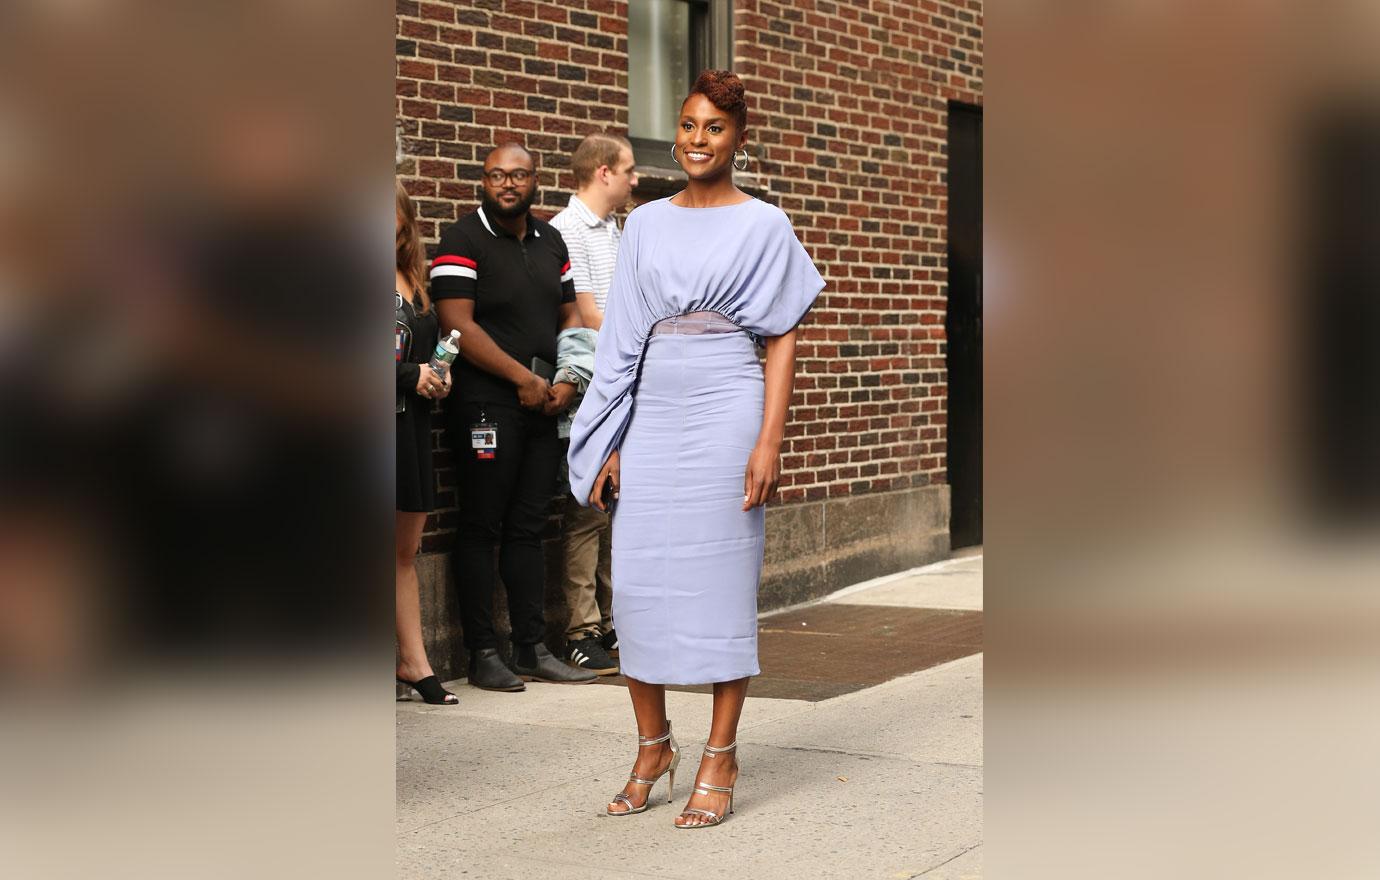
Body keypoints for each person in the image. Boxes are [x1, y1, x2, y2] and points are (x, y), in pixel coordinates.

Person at [568, 71, 825, 827]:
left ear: (739, 137)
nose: (696, 140)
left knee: (721, 579)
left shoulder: (766, 225)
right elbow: (618, 340)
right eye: (687, 125)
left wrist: (767, 440)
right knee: (639, 582)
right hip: (652, 404)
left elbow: (781, 339)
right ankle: (653, 745)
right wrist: (608, 437)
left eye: (713, 127)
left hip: (726, 401)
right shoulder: (644, 223)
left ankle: (720, 753)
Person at [432, 143, 597, 691]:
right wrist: (521, 379)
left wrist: (570, 377)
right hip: (487, 403)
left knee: (529, 526)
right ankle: (483, 651)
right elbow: (457, 324)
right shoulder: (463, 239)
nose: (508, 184)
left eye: (519, 175)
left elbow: (570, 312)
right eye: (497, 175)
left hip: (545, 403)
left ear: (535, 181)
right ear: (483, 180)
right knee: (482, 524)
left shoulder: (552, 241)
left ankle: (529, 646)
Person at [548, 131, 639, 675]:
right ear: (603, 172)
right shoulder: (567, 232)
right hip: (590, 385)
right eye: (628, 170)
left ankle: (609, 622)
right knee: (585, 506)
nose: (634, 179)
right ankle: (581, 630)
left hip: (623, 378)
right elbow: (585, 317)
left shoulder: (617, 230)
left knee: (615, 506)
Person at [394, 180, 457, 704]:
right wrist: (410, 374)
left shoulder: (415, 279)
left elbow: (425, 349)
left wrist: (438, 373)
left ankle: (413, 663)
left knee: (403, 550)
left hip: (409, 426)